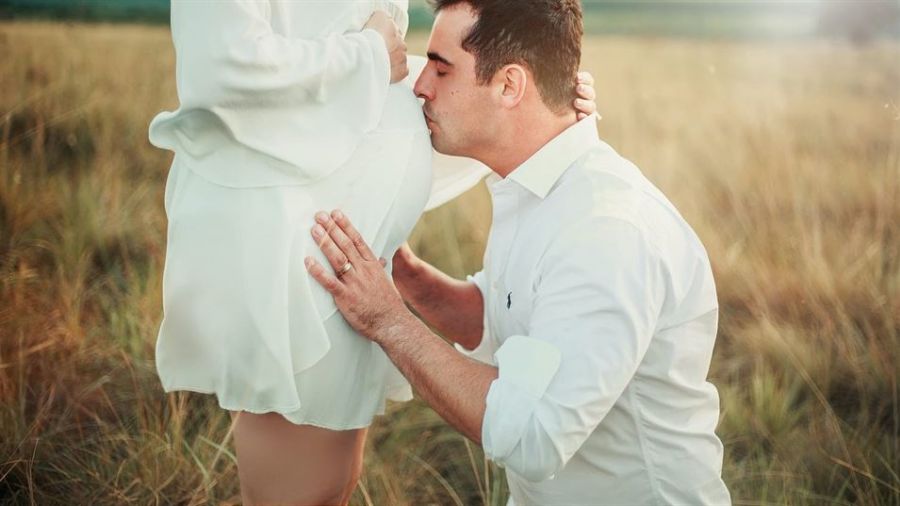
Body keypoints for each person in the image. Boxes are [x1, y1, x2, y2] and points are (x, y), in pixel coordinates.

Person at [147, 1, 598, 504]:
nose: (427, 82)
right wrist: (366, 56)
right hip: (303, 250)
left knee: (330, 484)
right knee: (298, 492)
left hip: (346, 246)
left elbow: (375, 102)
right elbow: (220, 67)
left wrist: (547, 112)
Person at [305, 0, 732, 504]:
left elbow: (533, 436)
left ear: (510, 85)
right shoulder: (535, 187)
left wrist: (387, 319)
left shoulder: (605, 230)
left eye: (441, 69)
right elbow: (507, 321)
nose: (421, 86)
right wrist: (407, 278)